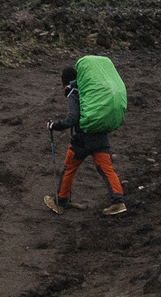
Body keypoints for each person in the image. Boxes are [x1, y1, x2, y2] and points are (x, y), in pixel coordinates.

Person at [44, 64, 127, 216]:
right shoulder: (90, 90)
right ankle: (118, 202)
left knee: (69, 167)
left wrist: (54, 126)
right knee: (106, 169)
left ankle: (60, 202)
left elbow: (72, 118)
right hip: (100, 134)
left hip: (82, 139)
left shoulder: (74, 91)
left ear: (65, 82)